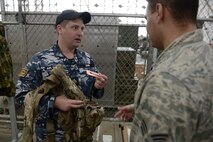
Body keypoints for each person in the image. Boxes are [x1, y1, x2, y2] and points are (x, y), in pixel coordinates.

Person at [115, 0, 213, 141]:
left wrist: (155, 100)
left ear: (159, 11)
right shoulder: (205, 55)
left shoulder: (165, 82)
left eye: (146, 18)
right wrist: (143, 107)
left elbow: (171, 95)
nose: (147, 25)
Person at [15, 9, 108, 141]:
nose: (80, 33)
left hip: (82, 134)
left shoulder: (87, 59)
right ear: (60, 29)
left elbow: (94, 93)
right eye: (75, 27)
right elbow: (20, 96)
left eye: (82, 28)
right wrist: (54, 102)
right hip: (52, 136)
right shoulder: (40, 60)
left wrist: (98, 86)